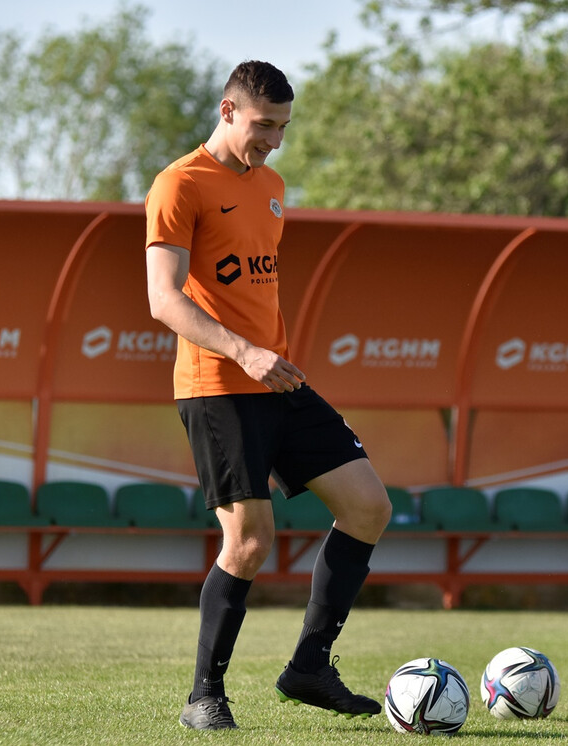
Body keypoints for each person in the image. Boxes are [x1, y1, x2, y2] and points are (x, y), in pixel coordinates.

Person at [144, 60, 392, 731]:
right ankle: (203, 695)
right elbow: (163, 299)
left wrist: (266, 356)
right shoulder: (179, 183)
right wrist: (244, 351)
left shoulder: (273, 186)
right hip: (217, 383)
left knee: (369, 506)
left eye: (283, 126)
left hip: (278, 379)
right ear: (228, 111)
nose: (274, 139)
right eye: (263, 125)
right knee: (250, 541)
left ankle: (309, 666)